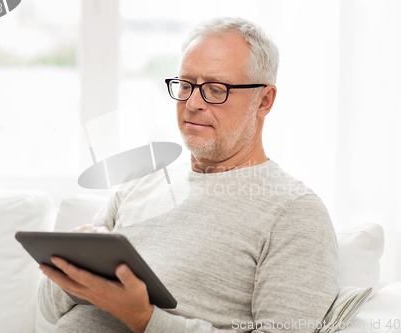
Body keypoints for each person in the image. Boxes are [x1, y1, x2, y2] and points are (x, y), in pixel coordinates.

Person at [38, 17, 339, 333]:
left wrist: (144, 318)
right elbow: (48, 309)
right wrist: (73, 265)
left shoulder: (295, 211)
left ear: (263, 101)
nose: (192, 103)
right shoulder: (140, 184)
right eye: (185, 85)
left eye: (215, 89)